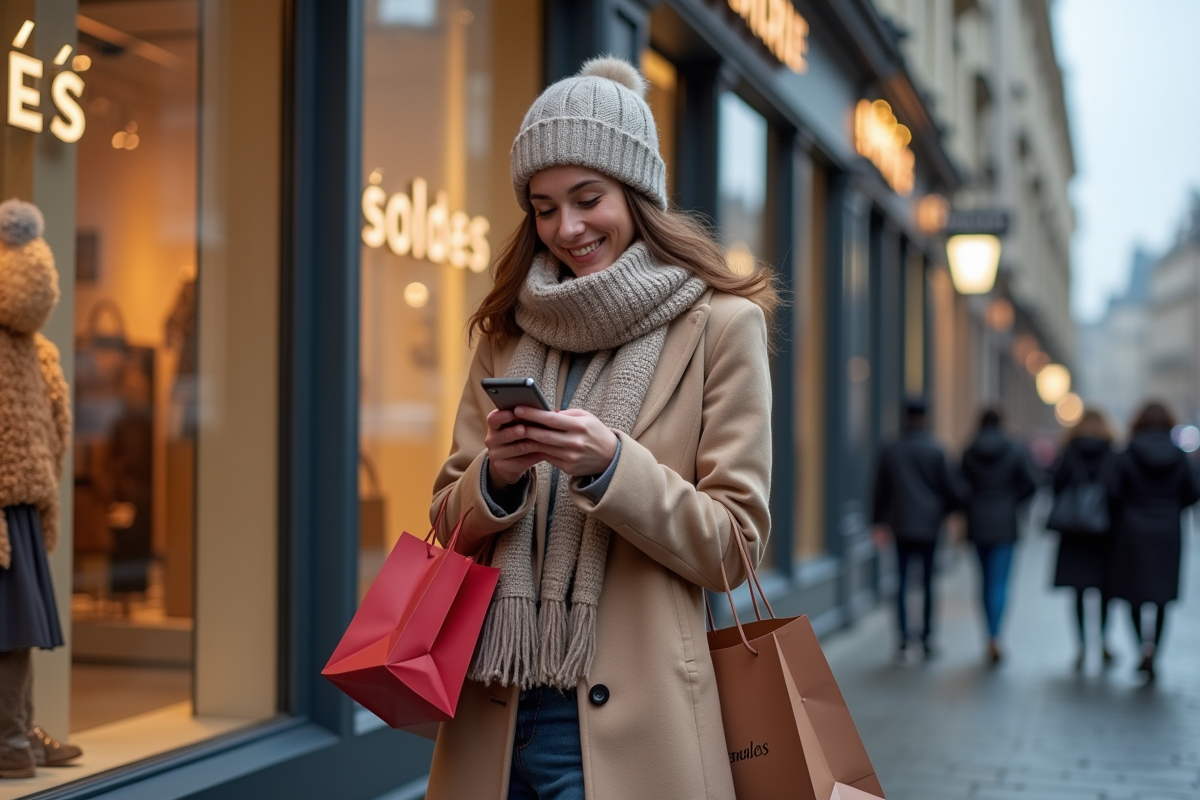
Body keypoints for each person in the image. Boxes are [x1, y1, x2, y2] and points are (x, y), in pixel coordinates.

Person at [423, 57, 777, 800]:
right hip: (494, 703)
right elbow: (446, 517)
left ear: (637, 194)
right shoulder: (506, 331)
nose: (567, 228)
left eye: (588, 199)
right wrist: (495, 478)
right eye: (544, 208)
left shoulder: (721, 327)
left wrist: (614, 466)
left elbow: (735, 548)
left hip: (633, 726)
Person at [0, 199, 83, 778]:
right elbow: (59, 429)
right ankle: (15, 738)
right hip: (19, 502)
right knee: (13, 632)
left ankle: (15, 738)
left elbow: (56, 427)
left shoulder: (32, 352)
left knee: (12, 629)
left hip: (11, 504)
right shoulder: (36, 350)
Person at [1106, 402, 1200, 682]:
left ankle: (1141, 648)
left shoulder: (1126, 454)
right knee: (1161, 596)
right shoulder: (1179, 456)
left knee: (1133, 593)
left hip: (1132, 530)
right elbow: (1193, 492)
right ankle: (1154, 650)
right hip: (1168, 531)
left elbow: (1112, 492)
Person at [872, 398, 962, 662]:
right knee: (927, 583)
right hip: (930, 526)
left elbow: (879, 491)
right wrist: (948, 514)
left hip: (900, 525)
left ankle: (901, 638)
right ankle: (927, 637)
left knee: (900, 581)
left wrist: (878, 522)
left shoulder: (891, 450)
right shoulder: (936, 450)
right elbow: (951, 491)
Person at [960, 408, 1037, 665]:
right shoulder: (1014, 449)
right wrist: (1013, 502)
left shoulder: (969, 450)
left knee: (984, 581)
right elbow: (1031, 483)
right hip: (1005, 521)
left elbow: (958, 485)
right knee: (1000, 582)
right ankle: (996, 635)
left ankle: (988, 634)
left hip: (978, 520)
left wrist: (972, 504)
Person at [1050, 408, 1117, 671]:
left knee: (1077, 591)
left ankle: (1080, 645)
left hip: (1074, 531)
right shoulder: (1112, 452)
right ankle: (1102, 641)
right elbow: (1117, 489)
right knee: (1104, 591)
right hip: (1103, 531)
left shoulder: (1070, 451)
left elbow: (1055, 484)